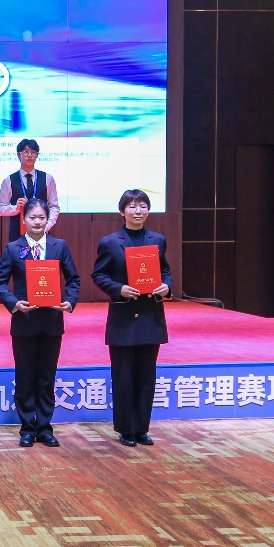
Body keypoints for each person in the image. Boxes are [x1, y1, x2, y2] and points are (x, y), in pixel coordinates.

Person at [0, 198, 79, 448]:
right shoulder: (13, 248)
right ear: (24, 219)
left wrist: (69, 301)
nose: (38, 222)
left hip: (52, 321)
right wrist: (14, 303)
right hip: (25, 321)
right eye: (33, 217)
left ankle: (44, 427)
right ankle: (27, 428)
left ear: (48, 220)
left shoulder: (59, 246)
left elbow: (73, 279)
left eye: (42, 217)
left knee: (46, 377)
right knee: (25, 376)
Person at [91, 189, 172, 448]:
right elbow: (99, 275)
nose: (138, 211)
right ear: (122, 211)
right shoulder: (110, 242)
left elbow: (165, 271)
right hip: (124, 318)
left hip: (150, 317)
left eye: (143, 206)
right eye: (133, 206)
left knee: (147, 375)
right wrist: (119, 289)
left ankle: (142, 428)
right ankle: (126, 428)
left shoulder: (157, 240)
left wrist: (167, 286)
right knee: (124, 376)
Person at [0, 139, 60, 244]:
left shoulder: (48, 179)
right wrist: (16, 208)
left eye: (33, 152)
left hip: (42, 234)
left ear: (37, 155)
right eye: (26, 152)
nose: (30, 155)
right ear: (18, 154)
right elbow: (0, 209)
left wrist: (46, 227)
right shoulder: (8, 180)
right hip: (17, 236)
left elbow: (54, 207)